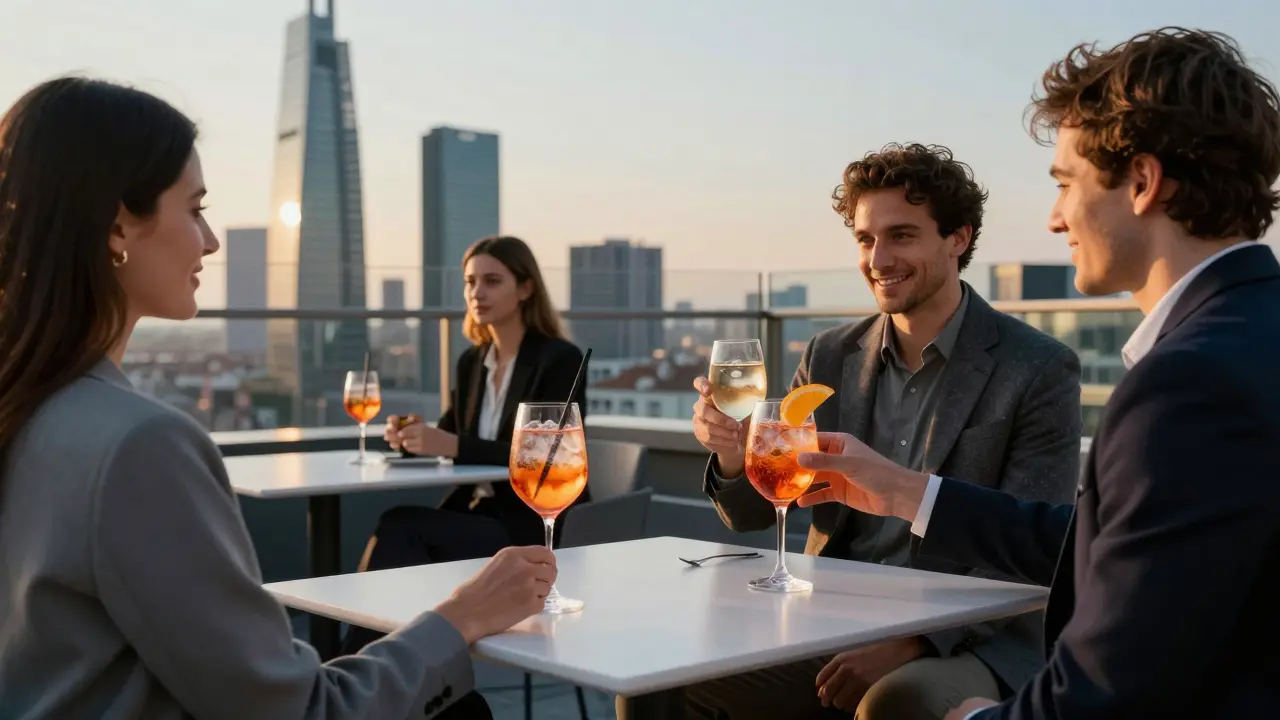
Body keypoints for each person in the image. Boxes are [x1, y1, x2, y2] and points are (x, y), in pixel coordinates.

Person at [0, 78, 556, 720]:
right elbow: (300, 713)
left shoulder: (33, 413)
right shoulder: (138, 446)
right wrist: (459, 618)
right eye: (195, 208)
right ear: (119, 225)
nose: (210, 241)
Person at [795, 28, 1280, 720]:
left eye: (1066, 184)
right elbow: (1108, 545)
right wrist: (905, 492)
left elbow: (1116, 685)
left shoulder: (1189, 385)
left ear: (1141, 182)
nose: (1054, 219)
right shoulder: (1249, 337)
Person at [681, 143, 1082, 719]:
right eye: (866, 240)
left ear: (958, 239)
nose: (879, 258)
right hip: (834, 616)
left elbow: (1033, 551)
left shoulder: (1038, 367)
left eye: (902, 235)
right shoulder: (828, 355)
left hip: (972, 634)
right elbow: (750, 513)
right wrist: (732, 456)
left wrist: (913, 642)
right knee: (662, 692)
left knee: (897, 700)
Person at [342, 235, 587, 653]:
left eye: (492, 281)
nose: (477, 292)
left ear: (525, 289)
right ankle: (394, 666)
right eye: (470, 282)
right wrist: (412, 437)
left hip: (528, 524)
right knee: (401, 535)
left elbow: (542, 455)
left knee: (401, 528)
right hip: (477, 518)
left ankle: (357, 666)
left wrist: (452, 442)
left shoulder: (558, 359)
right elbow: (453, 434)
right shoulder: (472, 362)